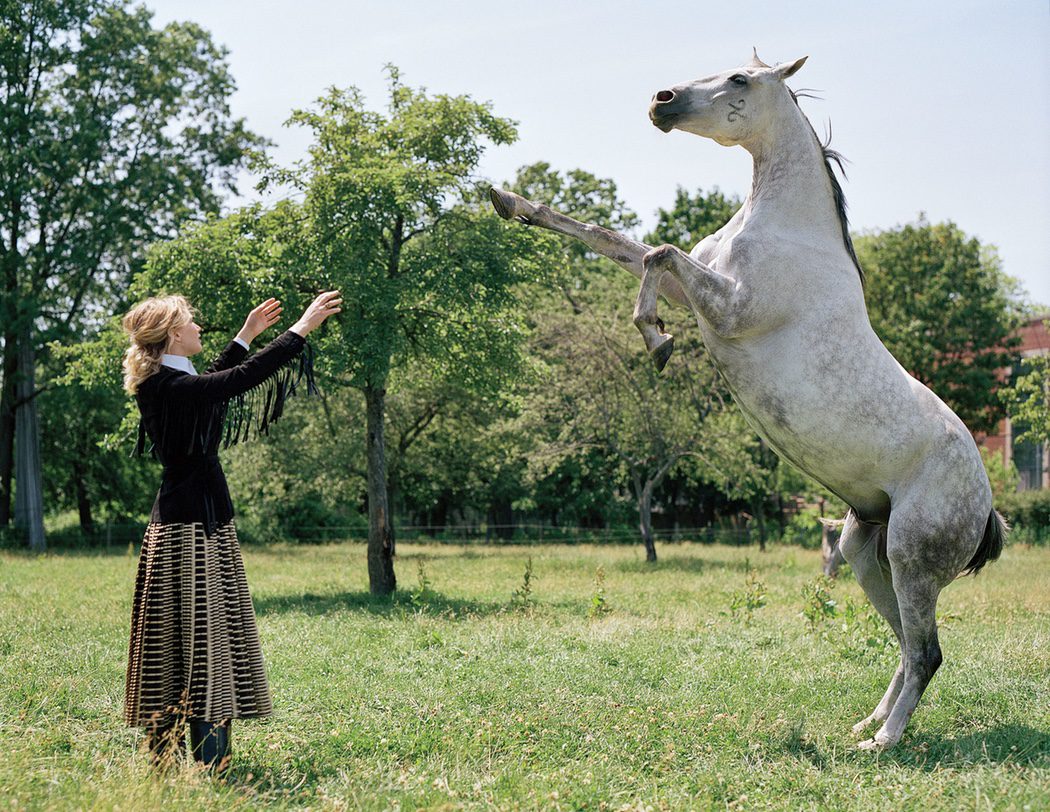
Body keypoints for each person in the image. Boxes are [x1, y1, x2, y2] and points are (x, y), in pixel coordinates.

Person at [120, 290, 341, 773]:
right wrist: (299, 329)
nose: (199, 328)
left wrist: (246, 335)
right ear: (174, 334)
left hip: (198, 524)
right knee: (200, 641)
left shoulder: (171, 381)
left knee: (195, 641)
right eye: (192, 323)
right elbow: (235, 381)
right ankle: (198, 761)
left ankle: (187, 759)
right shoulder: (169, 388)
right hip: (188, 532)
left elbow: (216, 379)